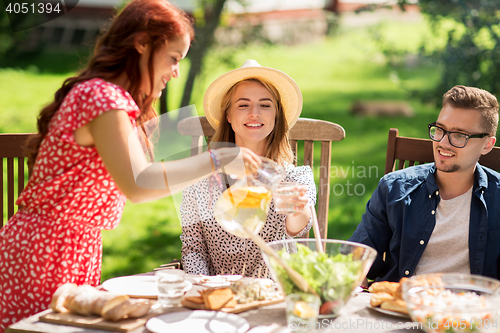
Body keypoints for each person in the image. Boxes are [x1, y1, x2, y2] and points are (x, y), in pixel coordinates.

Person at [0, 1, 260, 331]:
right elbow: (139, 184)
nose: (176, 71)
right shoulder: (102, 98)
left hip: (72, 245)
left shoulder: (110, 98)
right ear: (141, 44)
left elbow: (150, 170)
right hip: (46, 250)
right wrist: (218, 158)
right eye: (173, 58)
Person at [180, 60, 317, 277]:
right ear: (228, 115)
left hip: (273, 294)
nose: (254, 113)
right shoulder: (201, 180)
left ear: (276, 115)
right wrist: (203, 289)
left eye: (265, 105)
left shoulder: (293, 177)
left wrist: (297, 209)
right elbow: (193, 249)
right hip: (217, 298)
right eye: (243, 105)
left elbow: (297, 228)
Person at [349, 85, 500, 282]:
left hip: (471, 309)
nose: (443, 143)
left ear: (487, 144)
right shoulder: (394, 188)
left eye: (460, 135)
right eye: (440, 130)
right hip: (402, 306)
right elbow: (356, 257)